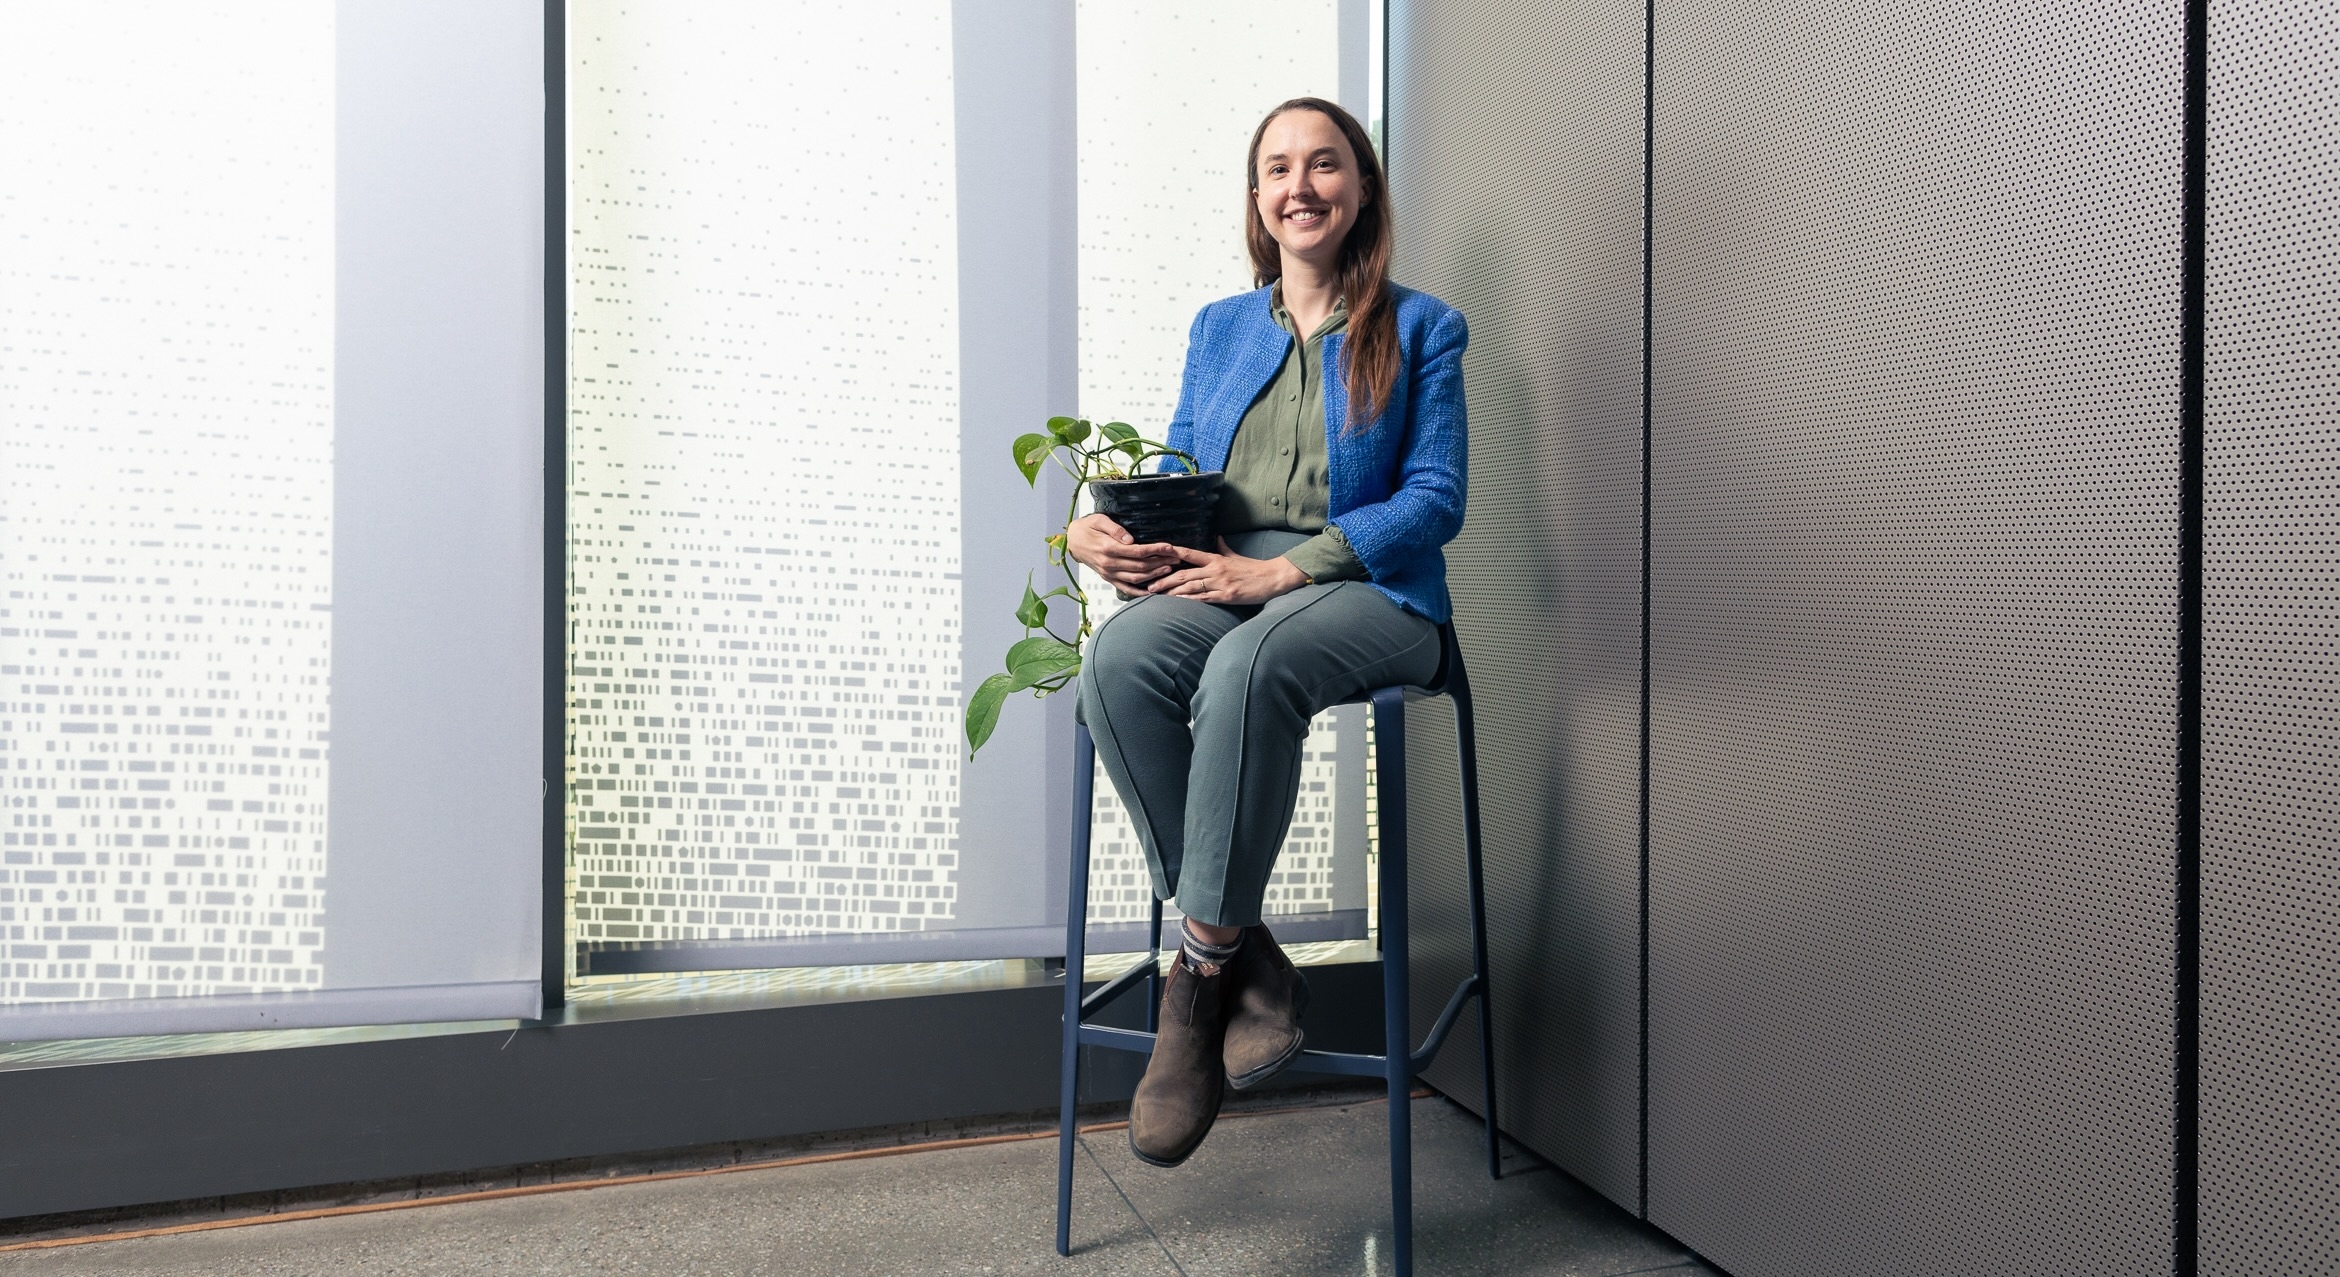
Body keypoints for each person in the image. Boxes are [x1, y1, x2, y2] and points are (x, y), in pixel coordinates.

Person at [1067, 96, 1469, 1167]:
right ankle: (1246, 951)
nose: (1301, 186)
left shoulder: (1423, 326)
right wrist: (1099, 530)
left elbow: (1435, 498)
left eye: (1325, 165)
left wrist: (1283, 568)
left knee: (1250, 664)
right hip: (1226, 574)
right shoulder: (1220, 328)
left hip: (1368, 587)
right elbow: (1184, 469)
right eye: (1279, 168)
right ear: (1258, 198)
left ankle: (1195, 984)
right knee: (1117, 656)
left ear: (1362, 187)